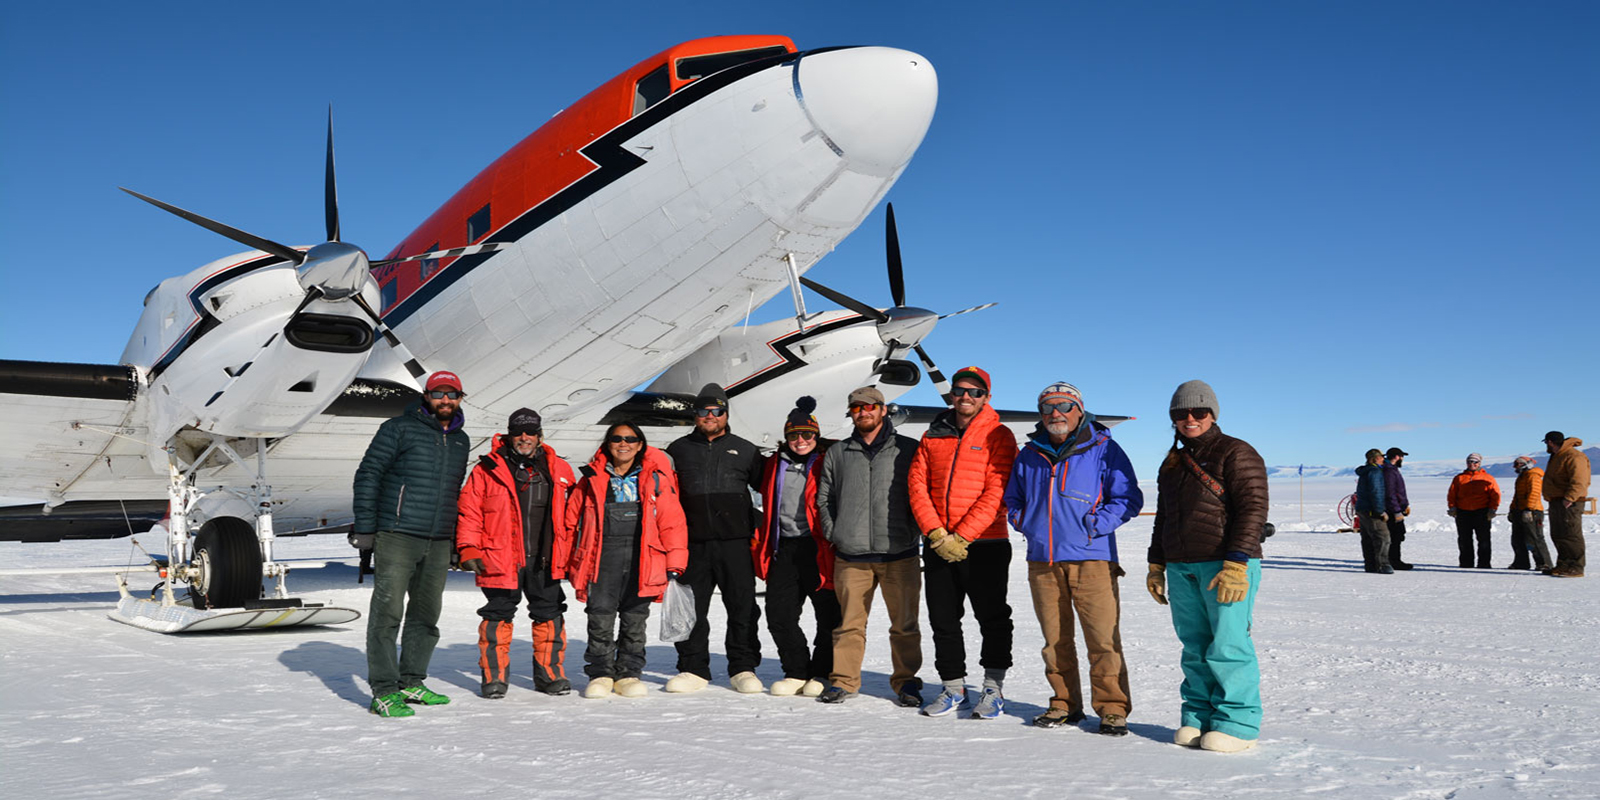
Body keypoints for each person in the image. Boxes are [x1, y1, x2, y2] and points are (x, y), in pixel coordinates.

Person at [1004, 381, 1142, 735]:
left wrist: (1095, 526)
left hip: (1091, 559)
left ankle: (1112, 708)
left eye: (1064, 406)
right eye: (1049, 408)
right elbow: (1013, 500)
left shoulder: (1103, 448)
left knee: (1102, 638)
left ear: (1079, 410)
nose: (1056, 414)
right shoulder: (1029, 453)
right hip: (1043, 560)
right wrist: (1027, 524)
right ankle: (1064, 703)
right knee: (1055, 639)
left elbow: (1128, 498)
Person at [1146, 380, 1268, 753]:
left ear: (1213, 414)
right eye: (1181, 414)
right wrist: (1156, 563)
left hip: (1225, 563)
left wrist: (1236, 563)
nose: (1190, 419)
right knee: (1195, 646)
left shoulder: (1236, 452)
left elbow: (1253, 510)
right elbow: (1163, 517)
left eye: (1199, 412)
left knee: (1228, 644)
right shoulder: (1172, 464)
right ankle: (1198, 715)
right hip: (1183, 566)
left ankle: (1238, 722)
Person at [351, 370, 472, 717]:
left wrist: (454, 541)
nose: (445, 400)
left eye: (452, 394)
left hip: (437, 540)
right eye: (438, 394)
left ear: (461, 398)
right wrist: (366, 528)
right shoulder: (398, 428)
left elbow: (454, 493)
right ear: (426, 397)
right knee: (387, 614)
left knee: (426, 615)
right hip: (398, 534)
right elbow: (369, 473)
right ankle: (385, 691)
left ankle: (412, 682)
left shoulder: (460, 440)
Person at [908, 366, 1019, 720]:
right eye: (960, 391)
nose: (966, 397)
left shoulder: (999, 435)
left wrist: (964, 535)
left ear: (987, 397)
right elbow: (917, 485)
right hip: (939, 543)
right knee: (943, 617)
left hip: (986, 543)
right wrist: (937, 534)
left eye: (975, 392)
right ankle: (953, 686)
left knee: (992, 616)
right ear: (951, 395)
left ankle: (993, 686)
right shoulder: (932, 436)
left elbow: (997, 490)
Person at [456, 408, 578, 699]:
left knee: (549, 614)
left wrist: (574, 553)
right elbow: (469, 511)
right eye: (518, 432)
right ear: (509, 435)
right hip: (500, 557)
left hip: (545, 558)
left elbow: (574, 515)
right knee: (497, 615)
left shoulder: (559, 468)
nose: (524, 437)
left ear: (539, 435)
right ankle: (494, 678)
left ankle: (550, 674)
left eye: (530, 432)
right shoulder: (487, 469)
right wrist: (468, 548)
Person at [561, 423, 688, 698]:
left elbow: (672, 523)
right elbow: (570, 522)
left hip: (643, 557)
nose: (624, 443)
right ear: (608, 444)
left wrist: (674, 562)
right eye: (617, 438)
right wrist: (566, 561)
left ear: (640, 445)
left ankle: (629, 673)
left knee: (635, 619)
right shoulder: (591, 478)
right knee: (600, 618)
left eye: (630, 439)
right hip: (600, 557)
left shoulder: (656, 479)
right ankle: (601, 674)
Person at [815, 386, 924, 707]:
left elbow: (920, 494)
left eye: (869, 407)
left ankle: (907, 683)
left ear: (883, 409)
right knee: (848, 625)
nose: (863, 412)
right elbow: (825, 498)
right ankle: (844, 681)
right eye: (857, 408)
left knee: (904, 626)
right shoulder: (838, 452)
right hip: (851, 556)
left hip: (899, 553)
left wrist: (912, 531)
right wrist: (837, 533)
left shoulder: (908, 449)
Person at [663, 383, 766, 694]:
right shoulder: (677, 450)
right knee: (692, 608)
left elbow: (770, 491)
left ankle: (743, 667)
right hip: (692, 544)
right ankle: (693, 668)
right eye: (703, 411)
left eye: (716, 411)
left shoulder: (746, 450)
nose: (710, 416)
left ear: (725, 413)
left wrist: (758, 529)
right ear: (695, 415)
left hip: (735, 543)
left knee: (742, 607)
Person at [753, 397, 841, 697]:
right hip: (784, 549)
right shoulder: (772, 465)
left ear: (816, 436)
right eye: (793, 435)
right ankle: (796, 671)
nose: (800, 440)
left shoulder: (829, 460)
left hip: (819, 550)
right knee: (779, 614)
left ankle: (822, 672)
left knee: (828, 616)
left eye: (807, 434)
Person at [1542, 431, 1591, 578]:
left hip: (1569, 501)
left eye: (1547, 443)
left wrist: (1570, 497)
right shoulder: (1557, 456)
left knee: (1571, 534)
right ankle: (1563, 564)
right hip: (1556, 500)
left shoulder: (1573, 456)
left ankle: (1576, 567)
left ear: (1550, 442)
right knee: (1558, 534)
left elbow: (1580, 479)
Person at [1447, 453, 1501, 569]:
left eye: (1475, 462)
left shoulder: (1488, 478)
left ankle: (1484, 564)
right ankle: (1466, 563)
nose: (1472, 464)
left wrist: (1492, 509)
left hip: (1482, 512)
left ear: (1479, 464)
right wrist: (1452, 507)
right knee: (1464, 540)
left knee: (1484, 540)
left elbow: (1495, 495)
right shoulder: (1459, 478)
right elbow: (1452, 494)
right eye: (1470, 462)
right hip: (1463, 512)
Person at [1507, 455, 1552, 571]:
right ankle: (1521, 562)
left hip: (1533, 512)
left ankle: (1544, 563)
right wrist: (1512, 509)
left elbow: (1534, 493)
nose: (1515, 467)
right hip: (1519, 510)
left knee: (1534, 538)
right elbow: (1517, 496)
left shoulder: (1533, 476)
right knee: (1517, 539)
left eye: (1517, 464)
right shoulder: (1522, 477)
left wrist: (1529, 509)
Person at [1354, 449, 1392, 574]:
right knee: (1382, 537)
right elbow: (1376, 492)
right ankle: (1382, 565)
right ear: (1374, 459)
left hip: (1362, 509)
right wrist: (1380, 511)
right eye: (1381, 457)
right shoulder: (1375, 472)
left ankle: (1370, 565)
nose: (1383, 459)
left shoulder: (1365, 472)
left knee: (1367, 538)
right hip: (1371, 511)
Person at [1382, 448, 1414, 570]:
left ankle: (1393, 560)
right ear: (1397, 457)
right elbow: (1390, 493)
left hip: (1395, 508)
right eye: (1401, 456)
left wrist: (1404, 505)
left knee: (1397, 535)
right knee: (1395, 536)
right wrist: (1396, 511)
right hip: (1391, 510)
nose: (1402, 459)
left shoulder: (1392, 470)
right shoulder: (1389, 471)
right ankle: (1393, 561)